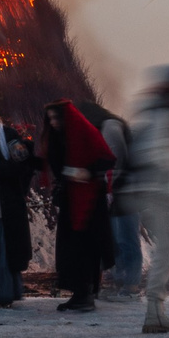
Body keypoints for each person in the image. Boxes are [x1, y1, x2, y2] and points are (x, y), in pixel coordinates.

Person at [118, 66, 169, 334]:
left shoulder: (151, 111)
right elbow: (161, 155)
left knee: (164, 250)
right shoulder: (166, 115)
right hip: (157, 191)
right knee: (164, 251)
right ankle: (154, 311)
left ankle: (155, 311)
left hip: (147, 189)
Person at [42, 101, 116, 313]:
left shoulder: (84, 132)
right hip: (73, 200)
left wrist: (87, 172)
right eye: (50, 118)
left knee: (84, 247)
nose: (53, 122)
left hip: (89, 200)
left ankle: (85, 293)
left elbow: (106, 158)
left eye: (56, 118)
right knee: (74, 248)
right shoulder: (60, 137)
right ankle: (81, 293)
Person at [0, 101, 31, 306]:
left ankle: (2, 293)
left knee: (2, 253)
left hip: (4, 206)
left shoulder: (8, 137)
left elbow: (22, 165)